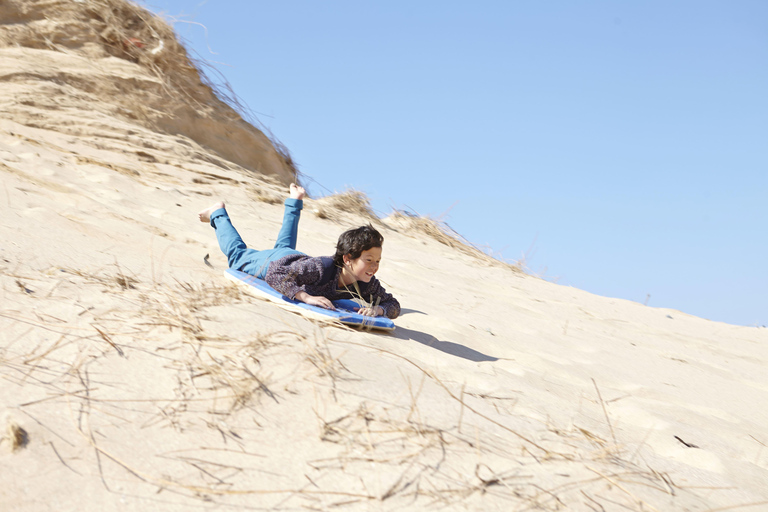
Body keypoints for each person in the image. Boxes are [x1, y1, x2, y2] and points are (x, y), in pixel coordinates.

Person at [198, 184, 400, 319]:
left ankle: (295, 200)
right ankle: (217, 213)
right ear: (348, 259)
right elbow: (274, 274)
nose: (374, 267)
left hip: (294, 259)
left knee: (284, 245)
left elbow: (394, 304)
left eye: (378, 261)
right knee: (237, 257)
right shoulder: (321, 268)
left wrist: (379, 309)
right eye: (369, 260)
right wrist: (305, 297)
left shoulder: (366, 284)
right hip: (274, 263)